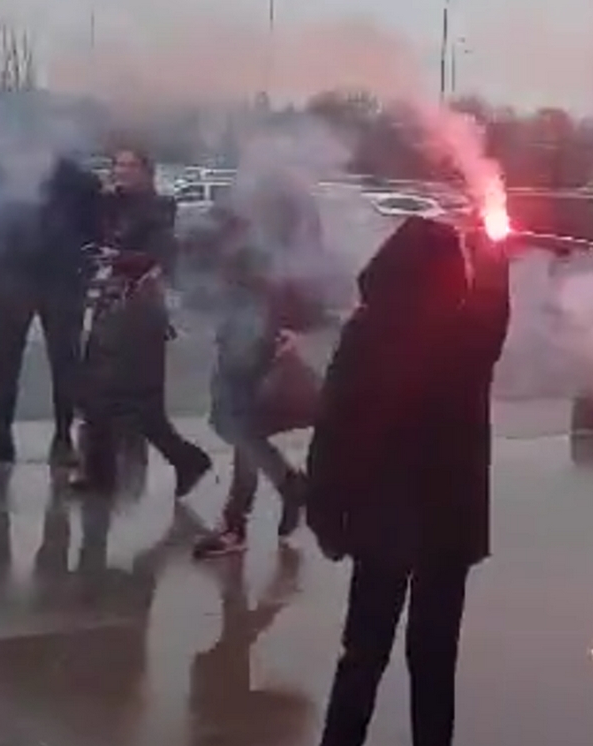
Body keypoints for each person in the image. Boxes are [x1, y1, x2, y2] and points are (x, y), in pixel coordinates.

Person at [308, 216, 510, 746]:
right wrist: (492, 250)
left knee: (362, 651)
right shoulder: (468, 336)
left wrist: (325, 510)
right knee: (435, 656)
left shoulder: (365, 333)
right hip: (449, 522)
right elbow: (494, 304)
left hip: (380, 519)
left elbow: (333, 426)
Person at [191, 176, 330, 559]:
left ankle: (241, 519)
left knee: (236, 423)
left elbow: (307, 285)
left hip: (260, 337)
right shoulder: (244, 221)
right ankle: (281, 491)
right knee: (238, 424)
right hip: (239, 331)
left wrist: (294, 328)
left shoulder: (288, 224)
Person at [72, 147, 213, 495]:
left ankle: (186, 460)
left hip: (139, 310)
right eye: (117, 165)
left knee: (139, 404)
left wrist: (118, 258)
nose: (121, 171)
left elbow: (162, 257)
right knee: (96, 395)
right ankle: (100, 472)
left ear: (147, 171)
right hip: (112, 305)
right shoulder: (110, 205)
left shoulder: (157, 209)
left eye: (130, 165)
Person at [0, 126, 103, 468]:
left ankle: (63, 437)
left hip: (62, 282)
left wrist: (81, 271)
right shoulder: (3, 176)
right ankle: (2, 436)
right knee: (3, 361)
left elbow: (95, 234)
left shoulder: (80, 181)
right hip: (11, 280)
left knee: (65, 362)